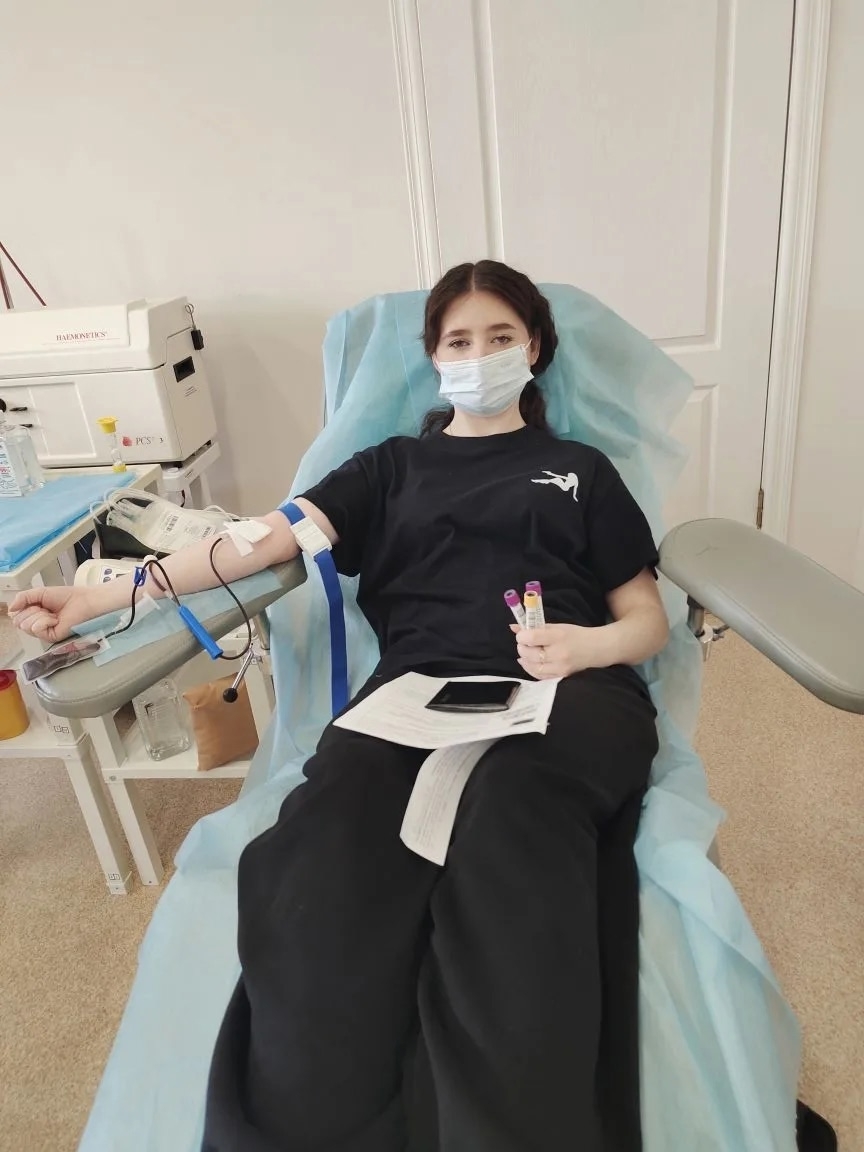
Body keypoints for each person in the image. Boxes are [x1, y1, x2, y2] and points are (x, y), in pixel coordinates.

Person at [10, 261, 669, 1152]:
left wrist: (587, 647)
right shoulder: (390, 469)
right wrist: (103, 595)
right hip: (413, 697)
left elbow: (645, 619)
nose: (479, 355)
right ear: (434, 358)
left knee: (511, 820)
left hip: (566, 691)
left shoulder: (578, 470)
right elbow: (254, 543)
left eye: (501, 337)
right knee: (318, 862)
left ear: (535, 348)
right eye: (459, 340)